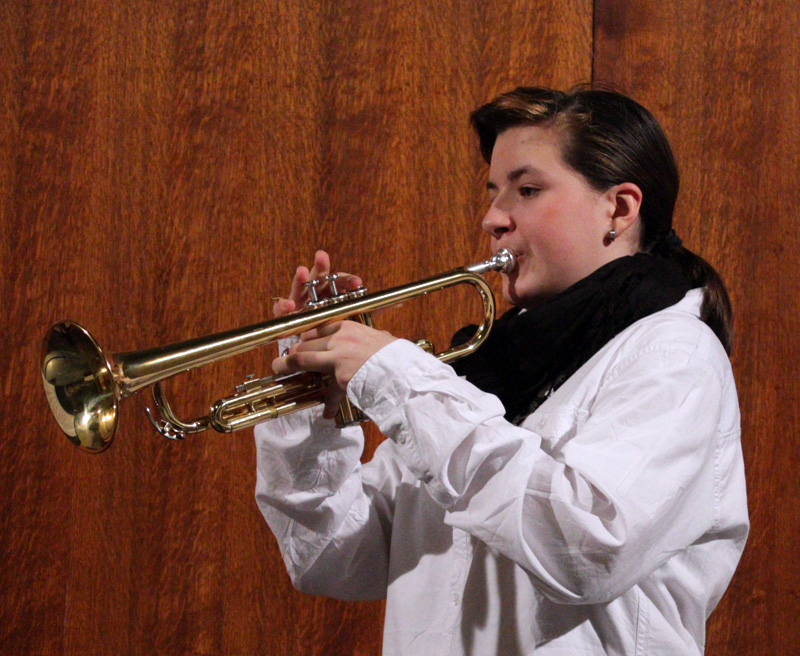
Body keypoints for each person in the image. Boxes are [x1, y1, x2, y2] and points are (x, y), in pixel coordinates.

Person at [254, 86, 749, 655]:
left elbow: (587, 548)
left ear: (619, 208)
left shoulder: (673, 355)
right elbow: (331, 558)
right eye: (492, 193)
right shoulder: (483, 370)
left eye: (527, 190)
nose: (491, 219)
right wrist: (310, 415)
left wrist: (398, 380)